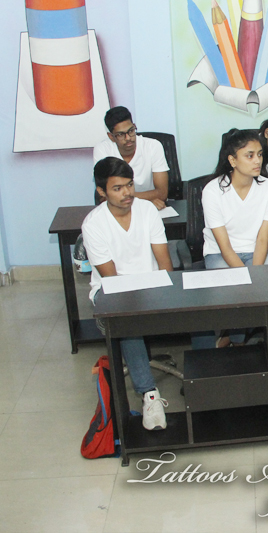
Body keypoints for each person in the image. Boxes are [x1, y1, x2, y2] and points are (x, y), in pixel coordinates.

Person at [81, 157, 173, 431]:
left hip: (151, 285)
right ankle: (149, 394)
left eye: (130, 185)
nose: (127, 193)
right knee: (127, 321)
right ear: (102, 192)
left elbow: (164, 263)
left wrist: (168, 291)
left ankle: (203, 386)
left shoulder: (147, 211)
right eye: (118, 188)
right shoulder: (94, 224)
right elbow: (111, 280)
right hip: (112, 291)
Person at [202, 129, 268, 347]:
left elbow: (262, 238)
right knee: (232, 294)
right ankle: (239, 341)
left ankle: (235, 335)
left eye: (260, 154)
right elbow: (225, 246)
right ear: (232, 160)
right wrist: (247, 281)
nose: (257, 161)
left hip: (258, 251)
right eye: (250, 155)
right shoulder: (213, 191)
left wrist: (255, 277)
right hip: (221, 254)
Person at [93, 106, 169, 210]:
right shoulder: (103, 150)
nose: (128, 138)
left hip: (149, 208)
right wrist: (145, 201)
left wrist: (123, 198)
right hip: (119, 210)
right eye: (121, 134)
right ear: (111, 137)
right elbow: (104, 196)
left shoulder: (153, 146)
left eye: (131, 130)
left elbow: (162, 193)